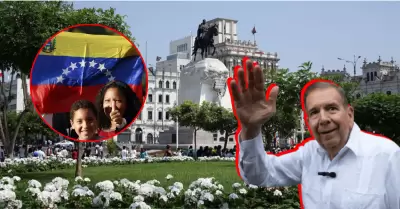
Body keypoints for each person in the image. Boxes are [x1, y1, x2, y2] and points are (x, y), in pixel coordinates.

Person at [232, 59, 400, 209]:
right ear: (308, 122)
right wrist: (250, 129)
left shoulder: (386, 154)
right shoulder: (308, 154)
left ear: (350, 114)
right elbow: (259, 175)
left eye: (331, 108)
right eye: (314, 112)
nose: (323, 119)